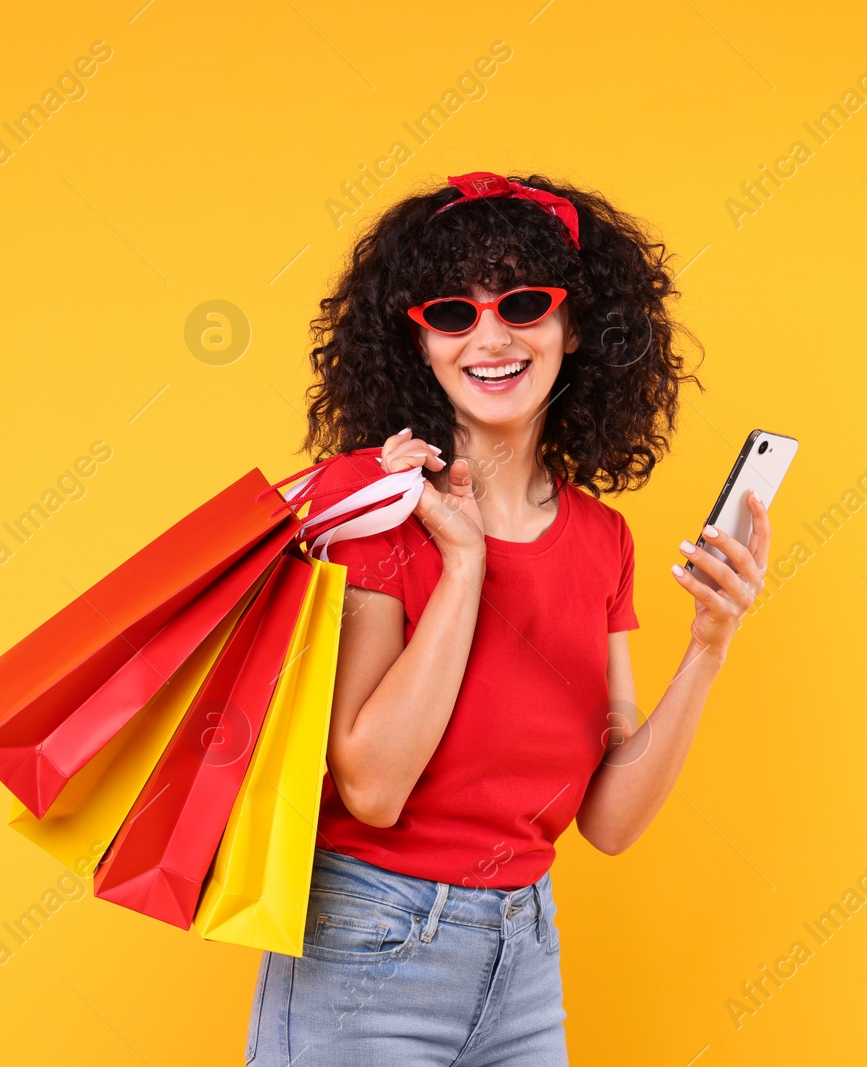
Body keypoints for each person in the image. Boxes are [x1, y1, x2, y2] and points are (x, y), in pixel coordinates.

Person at [244, 172, 771, 1066]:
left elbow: (609, 821)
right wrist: (465, 562)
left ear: (576, 328)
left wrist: (709, 647)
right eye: (453, 313)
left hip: (525, 951)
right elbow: (372, 787)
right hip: (370, 940)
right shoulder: (383, 516)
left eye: (524, 303)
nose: (490, 337)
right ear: (417, 344)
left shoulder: (603, 540)